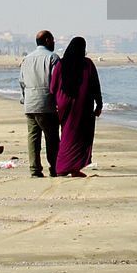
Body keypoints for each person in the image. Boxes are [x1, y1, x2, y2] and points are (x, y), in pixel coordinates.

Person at [50, 37, 102, 177]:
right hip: (82, 104)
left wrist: (55, 102)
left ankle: (69, 168)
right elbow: (95, 85)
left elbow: (53, 86)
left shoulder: (61, 64)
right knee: (80, 135)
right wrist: (99, 104)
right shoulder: (88, 64)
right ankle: (65, 168)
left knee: (66, 132)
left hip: (63, 103)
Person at [19, 30, 60, 178]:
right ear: (48, 40)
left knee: (33, 137)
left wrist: (24, 98)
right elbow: (57, 82)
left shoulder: (27, 59)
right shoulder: (53, 58)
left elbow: (22, 82)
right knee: (52, 138)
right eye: (53, 40)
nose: (54, 43)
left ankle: (35, 169)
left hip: (30, 103)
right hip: (46, 103)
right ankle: (55, 168)